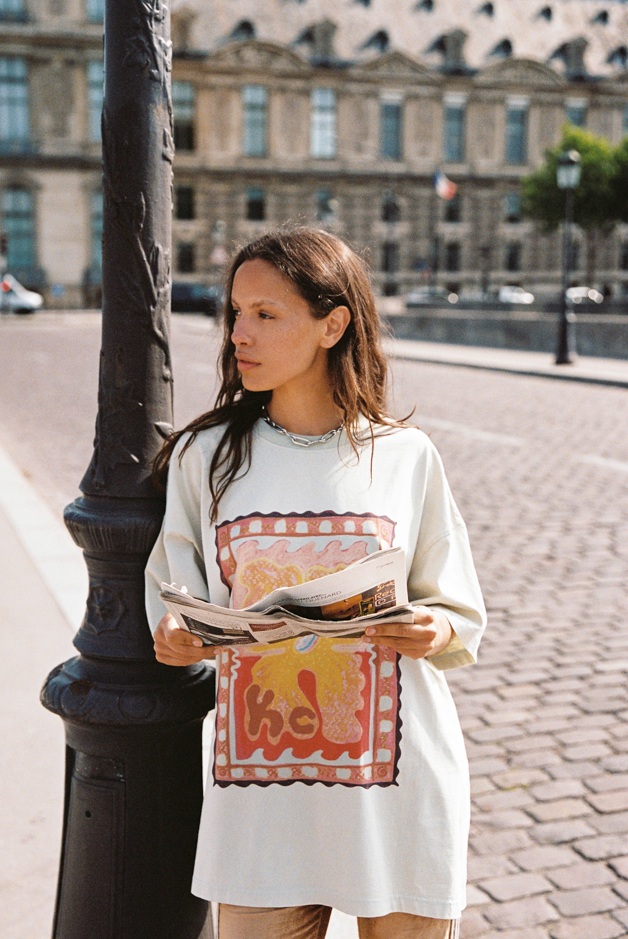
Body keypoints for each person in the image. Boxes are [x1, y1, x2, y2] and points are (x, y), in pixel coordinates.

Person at [145, 228, 487, 939]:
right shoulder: (205, 459)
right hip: (261, 804)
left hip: (394, 791)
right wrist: (178, 637)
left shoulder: (405, 456)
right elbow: (173, 595)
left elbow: (458, 608)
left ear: (333, 324)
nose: (239, 332)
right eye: (236, 312)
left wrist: (433, 626)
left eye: (266, 314)